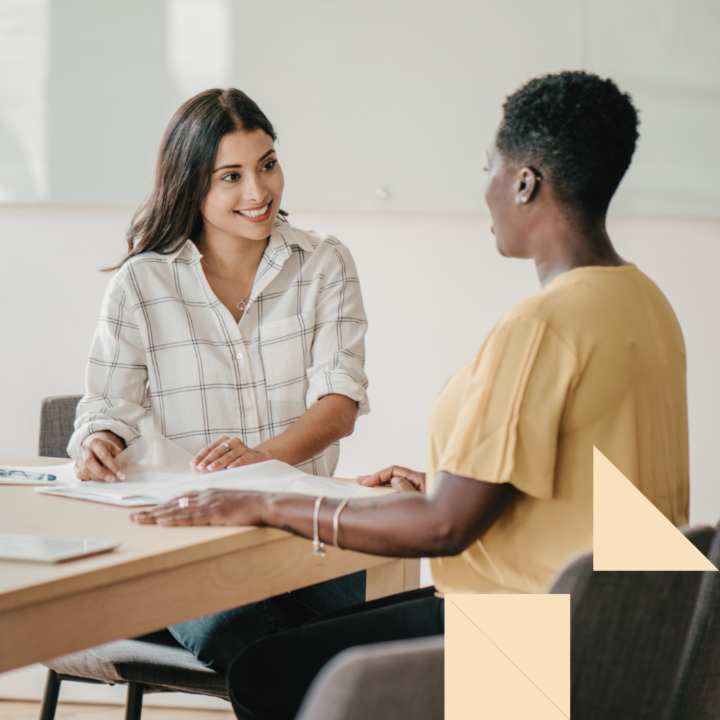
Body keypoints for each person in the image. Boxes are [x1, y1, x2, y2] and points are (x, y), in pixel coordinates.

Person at [133, 71, 690, 720]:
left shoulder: (540, 328)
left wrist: (262, 499)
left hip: (537, 642)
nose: (485, 189)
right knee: (306, 643)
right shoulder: (644, 303)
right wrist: (443, 485)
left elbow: (445, 528)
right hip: (632, 634)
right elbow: (584, 485)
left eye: (490, 168)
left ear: (524, 182)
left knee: (265, 671)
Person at [68, 88, 370, 671]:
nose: (258, 192)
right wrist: (98, 442)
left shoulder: (324, 263)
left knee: (378, 634)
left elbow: (339, 404)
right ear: (191, 185)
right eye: (230, 176)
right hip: (188, 549)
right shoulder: (141, 284)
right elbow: (105, 408)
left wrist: (256, 462)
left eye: (267, 165)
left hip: (304, 540)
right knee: (255, 644)